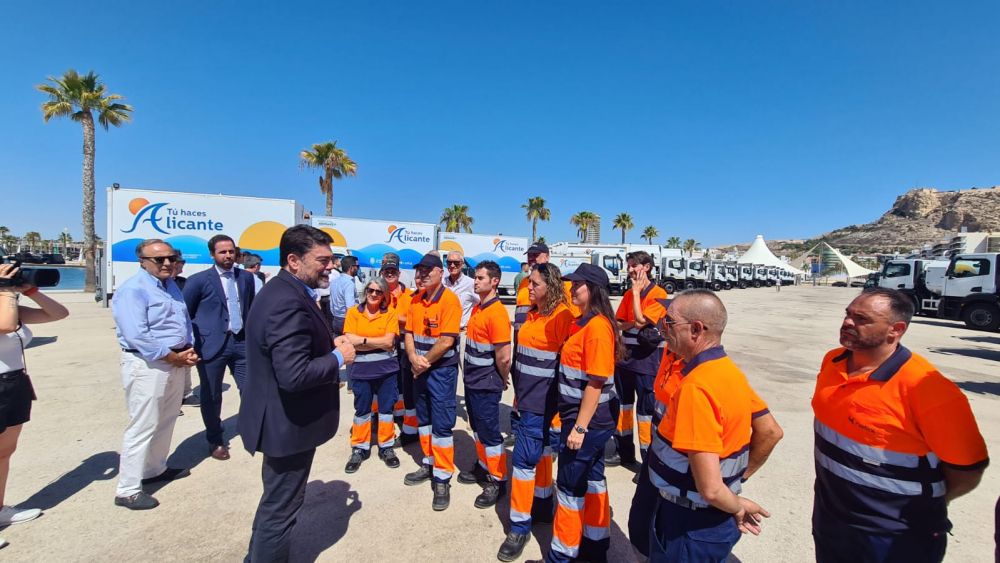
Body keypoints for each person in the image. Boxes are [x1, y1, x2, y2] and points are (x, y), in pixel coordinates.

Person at [812, 288, 989, 563]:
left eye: (862, 319)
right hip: (831, 519)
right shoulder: (833, 361)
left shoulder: (929, 390)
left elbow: (967, 470)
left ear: (895, 330)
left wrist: (920, 506)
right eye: (848, 314)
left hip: (895, 536)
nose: (848, 322)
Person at [629, 296, 782, 558]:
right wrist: (734, 483)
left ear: (697, 329)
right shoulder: (727, 371)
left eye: (669, 322)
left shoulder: (696, 387)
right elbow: (771, 429)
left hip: (689, 522)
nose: (663, 328)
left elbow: (710, 488)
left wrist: (735, 504)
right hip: (707, 520)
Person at [239, 225, 356, 562]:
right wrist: (337, 358)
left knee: (276, 502)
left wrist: (325, 344)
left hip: (283, 420)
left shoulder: (283, 291)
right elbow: (295, 374)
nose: (330, 266)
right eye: (322, 259)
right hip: (286, 424)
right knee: (280, 510)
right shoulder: (286, 301)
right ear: (293, 260)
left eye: (332, 259)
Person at [112, 239, 199, 510]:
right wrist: (172, 356)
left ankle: (154, 469)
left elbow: (182, 321)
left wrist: (188, 348)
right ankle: (127, 489)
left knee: (167, 418)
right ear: (143, 261)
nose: (167, 264)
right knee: (143, 424)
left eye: (171, 258)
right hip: (148, 363)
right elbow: (137, 334)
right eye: (159, 259)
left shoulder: (170, 286)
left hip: (175, 360)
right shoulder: (133, 290)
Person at [497, 262, 575, 562]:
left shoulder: (563, 318)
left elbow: (565, 369)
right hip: (526, 401)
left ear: (551, 287)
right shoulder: (530, 314)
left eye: (534, 284)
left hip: (544, 407)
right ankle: (539, 508)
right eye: (529, 283)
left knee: (525, 463)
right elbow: (523, 361)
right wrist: (518, 395)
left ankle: (519, 525)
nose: (528, 288)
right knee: (536, 456)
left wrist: (555, 409)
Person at [547, 264, 621, 563]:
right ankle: (594, 547)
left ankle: (562, 556)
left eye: (577, 284)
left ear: (593, 289)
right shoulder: (582, 323)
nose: (571, 289)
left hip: (587, 420)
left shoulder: (598, 328)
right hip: (581, 417)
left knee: (568, 485)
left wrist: (579, 428)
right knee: (593, 479)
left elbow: (596, 381)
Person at [0, 262, 68, 534]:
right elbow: (5, 325)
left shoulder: (10, 305)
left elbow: (58, 314)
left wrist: (30, 290)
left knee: (4, 452)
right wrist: (6, 290)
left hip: (14, 383)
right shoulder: (5, 306)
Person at [182, 234, 256, 461]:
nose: (228, 256)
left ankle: (253, 430)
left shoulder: (246, 278)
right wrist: (190, 343)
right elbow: (185, 313)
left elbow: (250, 307)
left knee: (251, 389)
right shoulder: (198, 280)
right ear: (212, 254)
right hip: (211, 346)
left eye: (231, 251)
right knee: (212, 395)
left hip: (241, 343)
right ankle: (215, 439)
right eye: (222, 252)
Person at [402, 253, 463, 511]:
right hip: (420, 369)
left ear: (440, 272)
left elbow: (447, 341)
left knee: (441, 424)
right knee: (424, 420)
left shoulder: (450, 300)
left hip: (440, 373)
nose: (423, 274)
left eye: (428, 270)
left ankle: (442, 476)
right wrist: (413, 357)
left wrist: (421, 362)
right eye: (420, 270)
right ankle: (429, 462)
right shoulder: (416, 299)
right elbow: (408, 334)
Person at [455, 261, 511, 509]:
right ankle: (482, 464)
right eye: (475, 278)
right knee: (477, 426)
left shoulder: (497, 314)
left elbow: (504, 356)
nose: (475, 281)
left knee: (489, 431)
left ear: (494, 281)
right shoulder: (479, 308)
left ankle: (498, 479)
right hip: (472, 380)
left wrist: (501, 377)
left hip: (486, 382)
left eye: (480, 278)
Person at [608, 251, 668, 469]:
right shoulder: (626, 295)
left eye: (635, 266)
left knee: (646, 413)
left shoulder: (659, 293)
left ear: (647, 267)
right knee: (623, 407)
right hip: (626, 360)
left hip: (648, 362)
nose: (630, 269)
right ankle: (623, 453)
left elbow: (642, 321)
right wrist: (634, 320)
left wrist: (635, 296)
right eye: (629, 265)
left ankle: (648, 461)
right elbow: (619, 323)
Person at [343, 276, 401, 472]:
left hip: (387, 371)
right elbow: (349, 339)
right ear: (365, 291)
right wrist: (375, 341)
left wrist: (363, 341)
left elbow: (389, 342)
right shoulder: (353, 313)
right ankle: (360, 447)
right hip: (361, 371)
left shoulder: (390, 314)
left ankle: (386, 447)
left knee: (386, 411)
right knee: (362, 410)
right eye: (371, 290)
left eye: (378, 291)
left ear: (384, 295)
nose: (374, 294)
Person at [171, 251, 198, 407]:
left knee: (185, 367)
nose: (182, 265)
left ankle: (185, 395)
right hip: (167, 338)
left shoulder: (184, 282)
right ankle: (173, 403)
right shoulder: (160, 284)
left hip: (184, 334)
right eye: (181, 262)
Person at [442, 250, 480, 329]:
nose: (452, 265)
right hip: (442, 329)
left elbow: (482, 303)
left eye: (456, 263)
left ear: (462, 265)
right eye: (449, 262)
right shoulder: (441, 283)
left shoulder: (470, 283)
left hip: (461, 331)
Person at [329, 255, 359, 338]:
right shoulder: (349, 283)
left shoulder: (334, 281)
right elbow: (350, 306)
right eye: (357, 266)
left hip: (336, 319)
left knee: (338, 345)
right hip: (346, 320)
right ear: (351, 268)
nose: (358, 269)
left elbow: (331, 302)